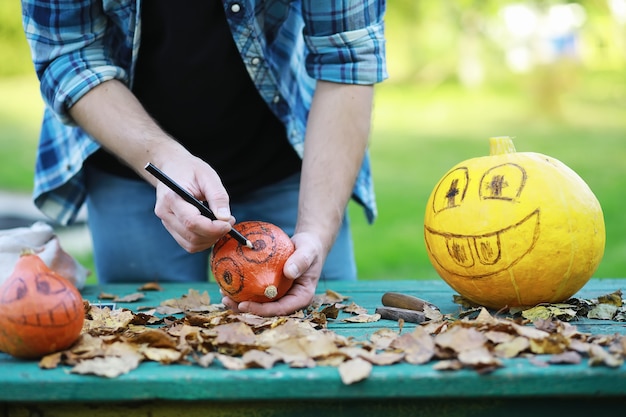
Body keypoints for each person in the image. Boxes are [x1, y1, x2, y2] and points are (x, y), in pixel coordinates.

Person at [21, 0, 388, 316]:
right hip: (128, 162)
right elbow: (68, 53)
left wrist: (316, 231)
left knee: (321, 331)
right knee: (149, 342)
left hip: (288, 160)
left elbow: (347, 57)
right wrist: (161, 157)